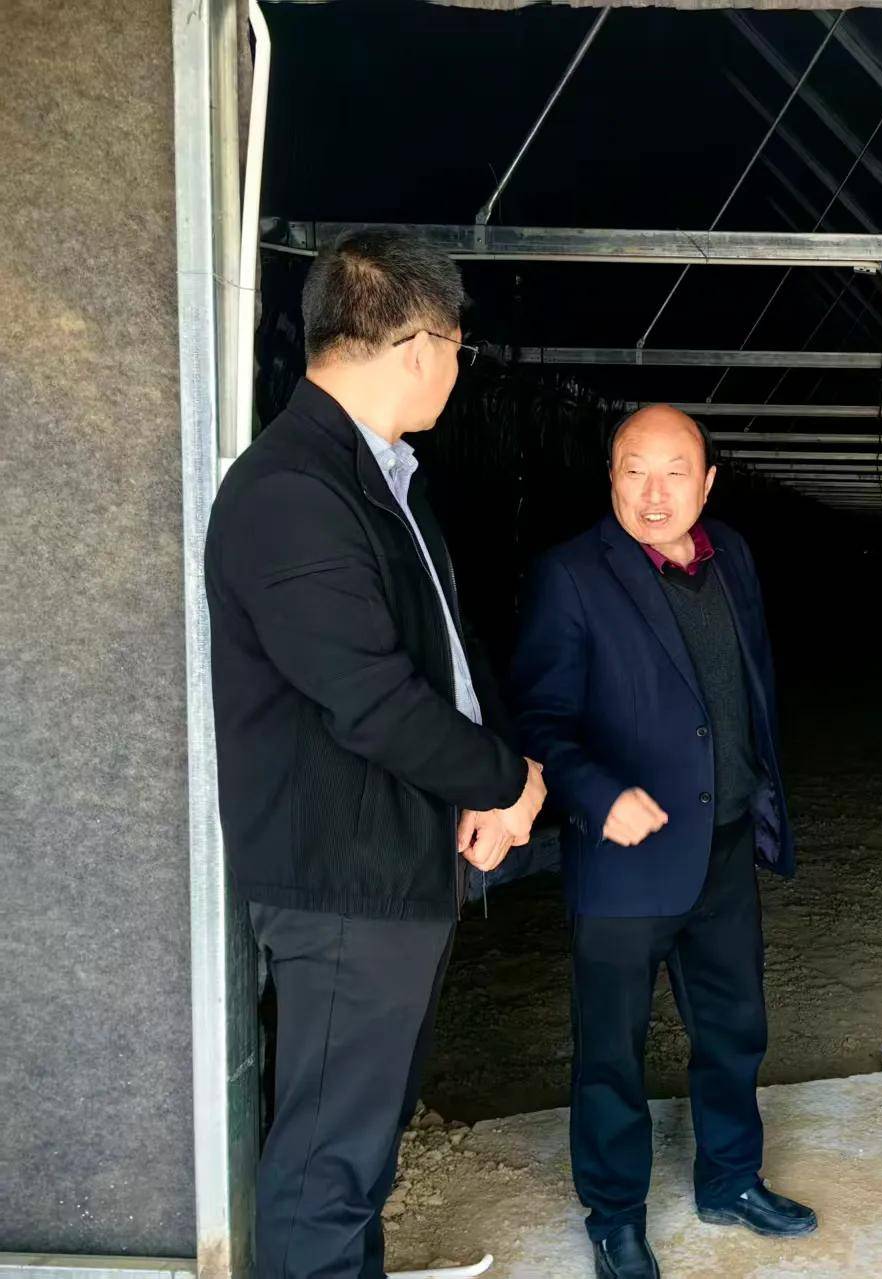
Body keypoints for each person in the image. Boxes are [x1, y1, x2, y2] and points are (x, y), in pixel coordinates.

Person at [205, 229, 547, 1279]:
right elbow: (372, 701)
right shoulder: (291, 491)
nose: (457, 369)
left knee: (357, 1148)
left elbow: (443, 652)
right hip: (345, 878)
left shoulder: (376, 477)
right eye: (457, 349)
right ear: (418, 345)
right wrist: (506, 779)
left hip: (395, 860)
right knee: (327, 1168)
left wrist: (490, 774)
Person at [508, 405, 815, 1279]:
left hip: (722, 846)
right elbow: (540, 717)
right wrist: (597, 792)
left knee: (734, 1026)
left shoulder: (733, 557)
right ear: (609, 477)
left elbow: (748, 685)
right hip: (623, 861)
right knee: (612, 1050)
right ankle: (615, 1217)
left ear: (706, 482)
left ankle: (731, 1178)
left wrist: (755, 787)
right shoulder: (572, 575)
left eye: (675, 472)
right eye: (634, 470)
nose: (654, 492)